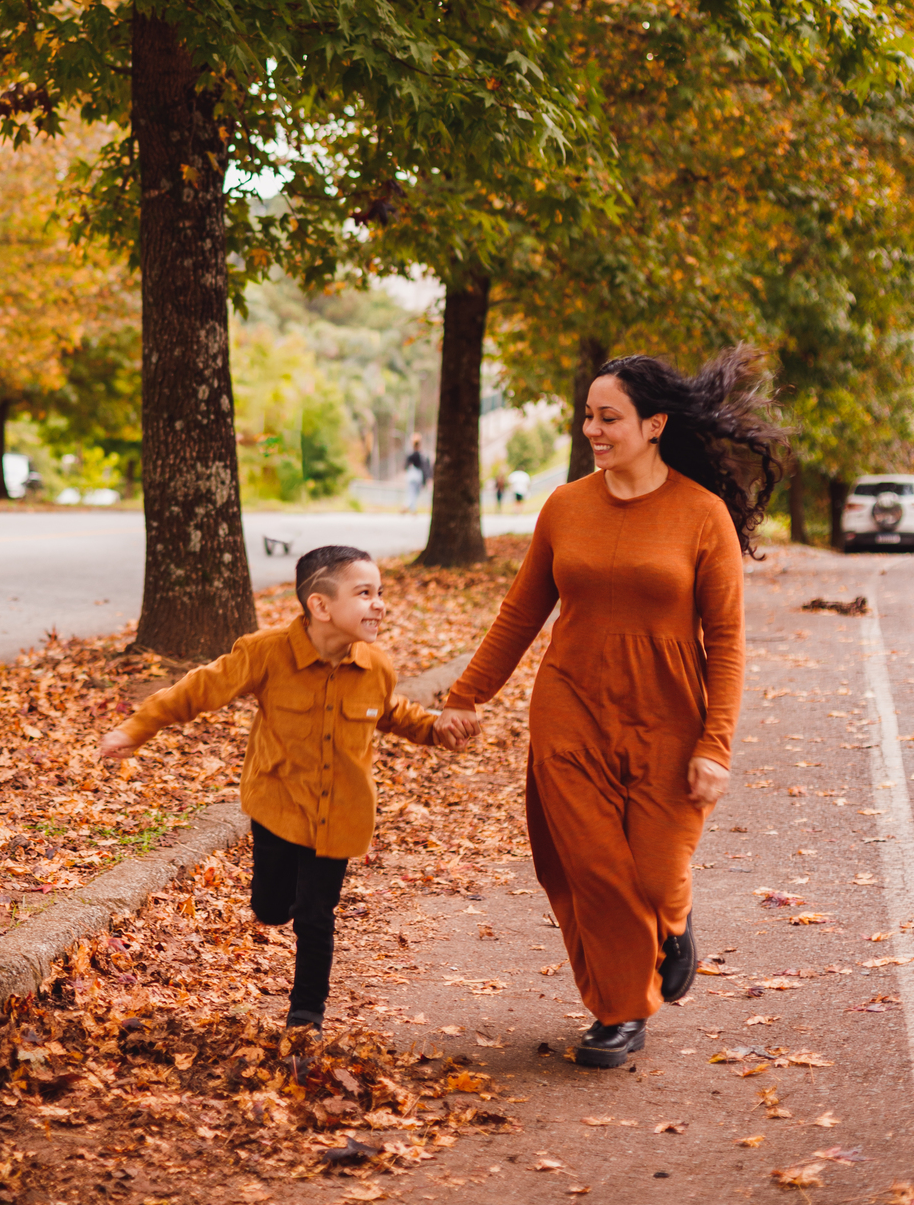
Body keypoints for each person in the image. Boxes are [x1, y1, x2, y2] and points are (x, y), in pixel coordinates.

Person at [437, 349, 785, 1070]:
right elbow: (519, 614)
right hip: (571, 707)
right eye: (588, 416)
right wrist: (465, 697)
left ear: (653, 424)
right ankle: (619, 1011)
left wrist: (715, 745)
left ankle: (674, 922)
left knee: (656, 877)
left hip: (668, 715)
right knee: (592, 868)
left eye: (609, 417)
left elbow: (726, 641)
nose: (592, 430)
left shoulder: (701, 514)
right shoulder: (566, 506)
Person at [99, 545, 469, 1032]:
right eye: (364, 593)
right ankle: (275, 902)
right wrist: (135, 729)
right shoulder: (266, 652)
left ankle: (306, 1013)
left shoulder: (375, 666)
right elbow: (197, 689)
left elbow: (393, 712)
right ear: (320, 605)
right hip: (277, 804)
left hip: (340, 814)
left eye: (380, 593)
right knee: (272, 908)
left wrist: (435, 729)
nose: (379, 603)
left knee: (317, 913)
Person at [404, 435, 429, 512]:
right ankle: (411, 508)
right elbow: (424, 467)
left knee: (413, 492)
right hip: (417, 475)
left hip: (413, 475)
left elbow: (406, 466)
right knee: (414, 492)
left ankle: (407, 505)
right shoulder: (421, 454)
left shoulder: (412, 454)